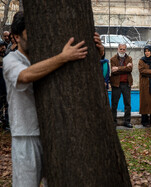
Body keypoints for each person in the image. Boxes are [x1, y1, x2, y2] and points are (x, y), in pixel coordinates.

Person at [3, 11, 104, 187]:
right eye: (29, 34)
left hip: (55, 134)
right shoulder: (11, 60)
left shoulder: (45, 56)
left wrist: (97, 53)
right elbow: (25, 76)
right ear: (17, 37)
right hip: (26, 136)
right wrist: (63, 57)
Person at [110, 43, 133, 128]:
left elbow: (129, 69)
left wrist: (118, 68)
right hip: (116, 84)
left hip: (126, 84)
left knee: (127, 104)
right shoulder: (113, 59)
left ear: (125, 50)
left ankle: (127, 121)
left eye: (124, 49)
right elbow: (113, 71)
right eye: (121, 49)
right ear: (118, 49)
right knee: (114, 104)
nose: (122, 51)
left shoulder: (129, 58)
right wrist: (125, 68)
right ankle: (113, 122)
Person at [0, 41, 8, 130]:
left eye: (3, 46)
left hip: (6, 86)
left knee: (7, 105)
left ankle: (6, 123)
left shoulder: (7, 57)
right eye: (1, 46)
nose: (3, 48)